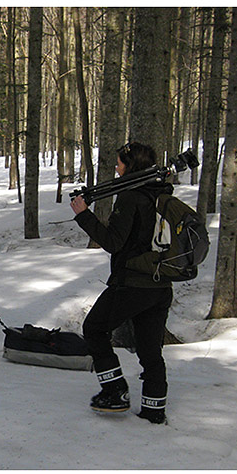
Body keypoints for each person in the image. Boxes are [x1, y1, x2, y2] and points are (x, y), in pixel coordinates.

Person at [70, 142, 173, 424]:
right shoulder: (161, 192)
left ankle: (115, 391)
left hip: (132, 284)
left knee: (94, 329)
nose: (116, 168)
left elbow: (114, 242)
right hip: (160, 285)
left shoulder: (130, 197)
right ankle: (154, 412)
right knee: (151, 351)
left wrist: (83, 215)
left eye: (119, 163)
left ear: (130, 166)